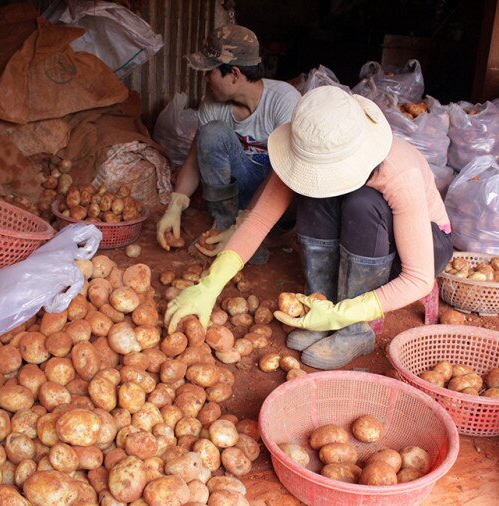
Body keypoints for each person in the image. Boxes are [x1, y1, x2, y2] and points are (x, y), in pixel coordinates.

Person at [164, 86, 453, 370]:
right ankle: (317, 307)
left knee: (362, 202)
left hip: (421, 248)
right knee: (313, 193)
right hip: (360, 240)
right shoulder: (306, 151)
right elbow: (260, 219)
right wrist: (209, 285)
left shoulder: (398, 171)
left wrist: (342, 316)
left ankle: (354, 330)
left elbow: (419, 277)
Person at [156, 24, 301, 262]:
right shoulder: (213, 103)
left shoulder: (284, 102)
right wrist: (176, 203)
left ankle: (264, 233)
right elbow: (194, 159)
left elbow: (285, 177)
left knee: (254, 249)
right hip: (240, 193)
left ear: (234, 74)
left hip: (279, 197)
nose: (204, 77)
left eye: (209, 71)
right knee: (211, 133)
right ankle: (224, 221)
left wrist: (247, 226)